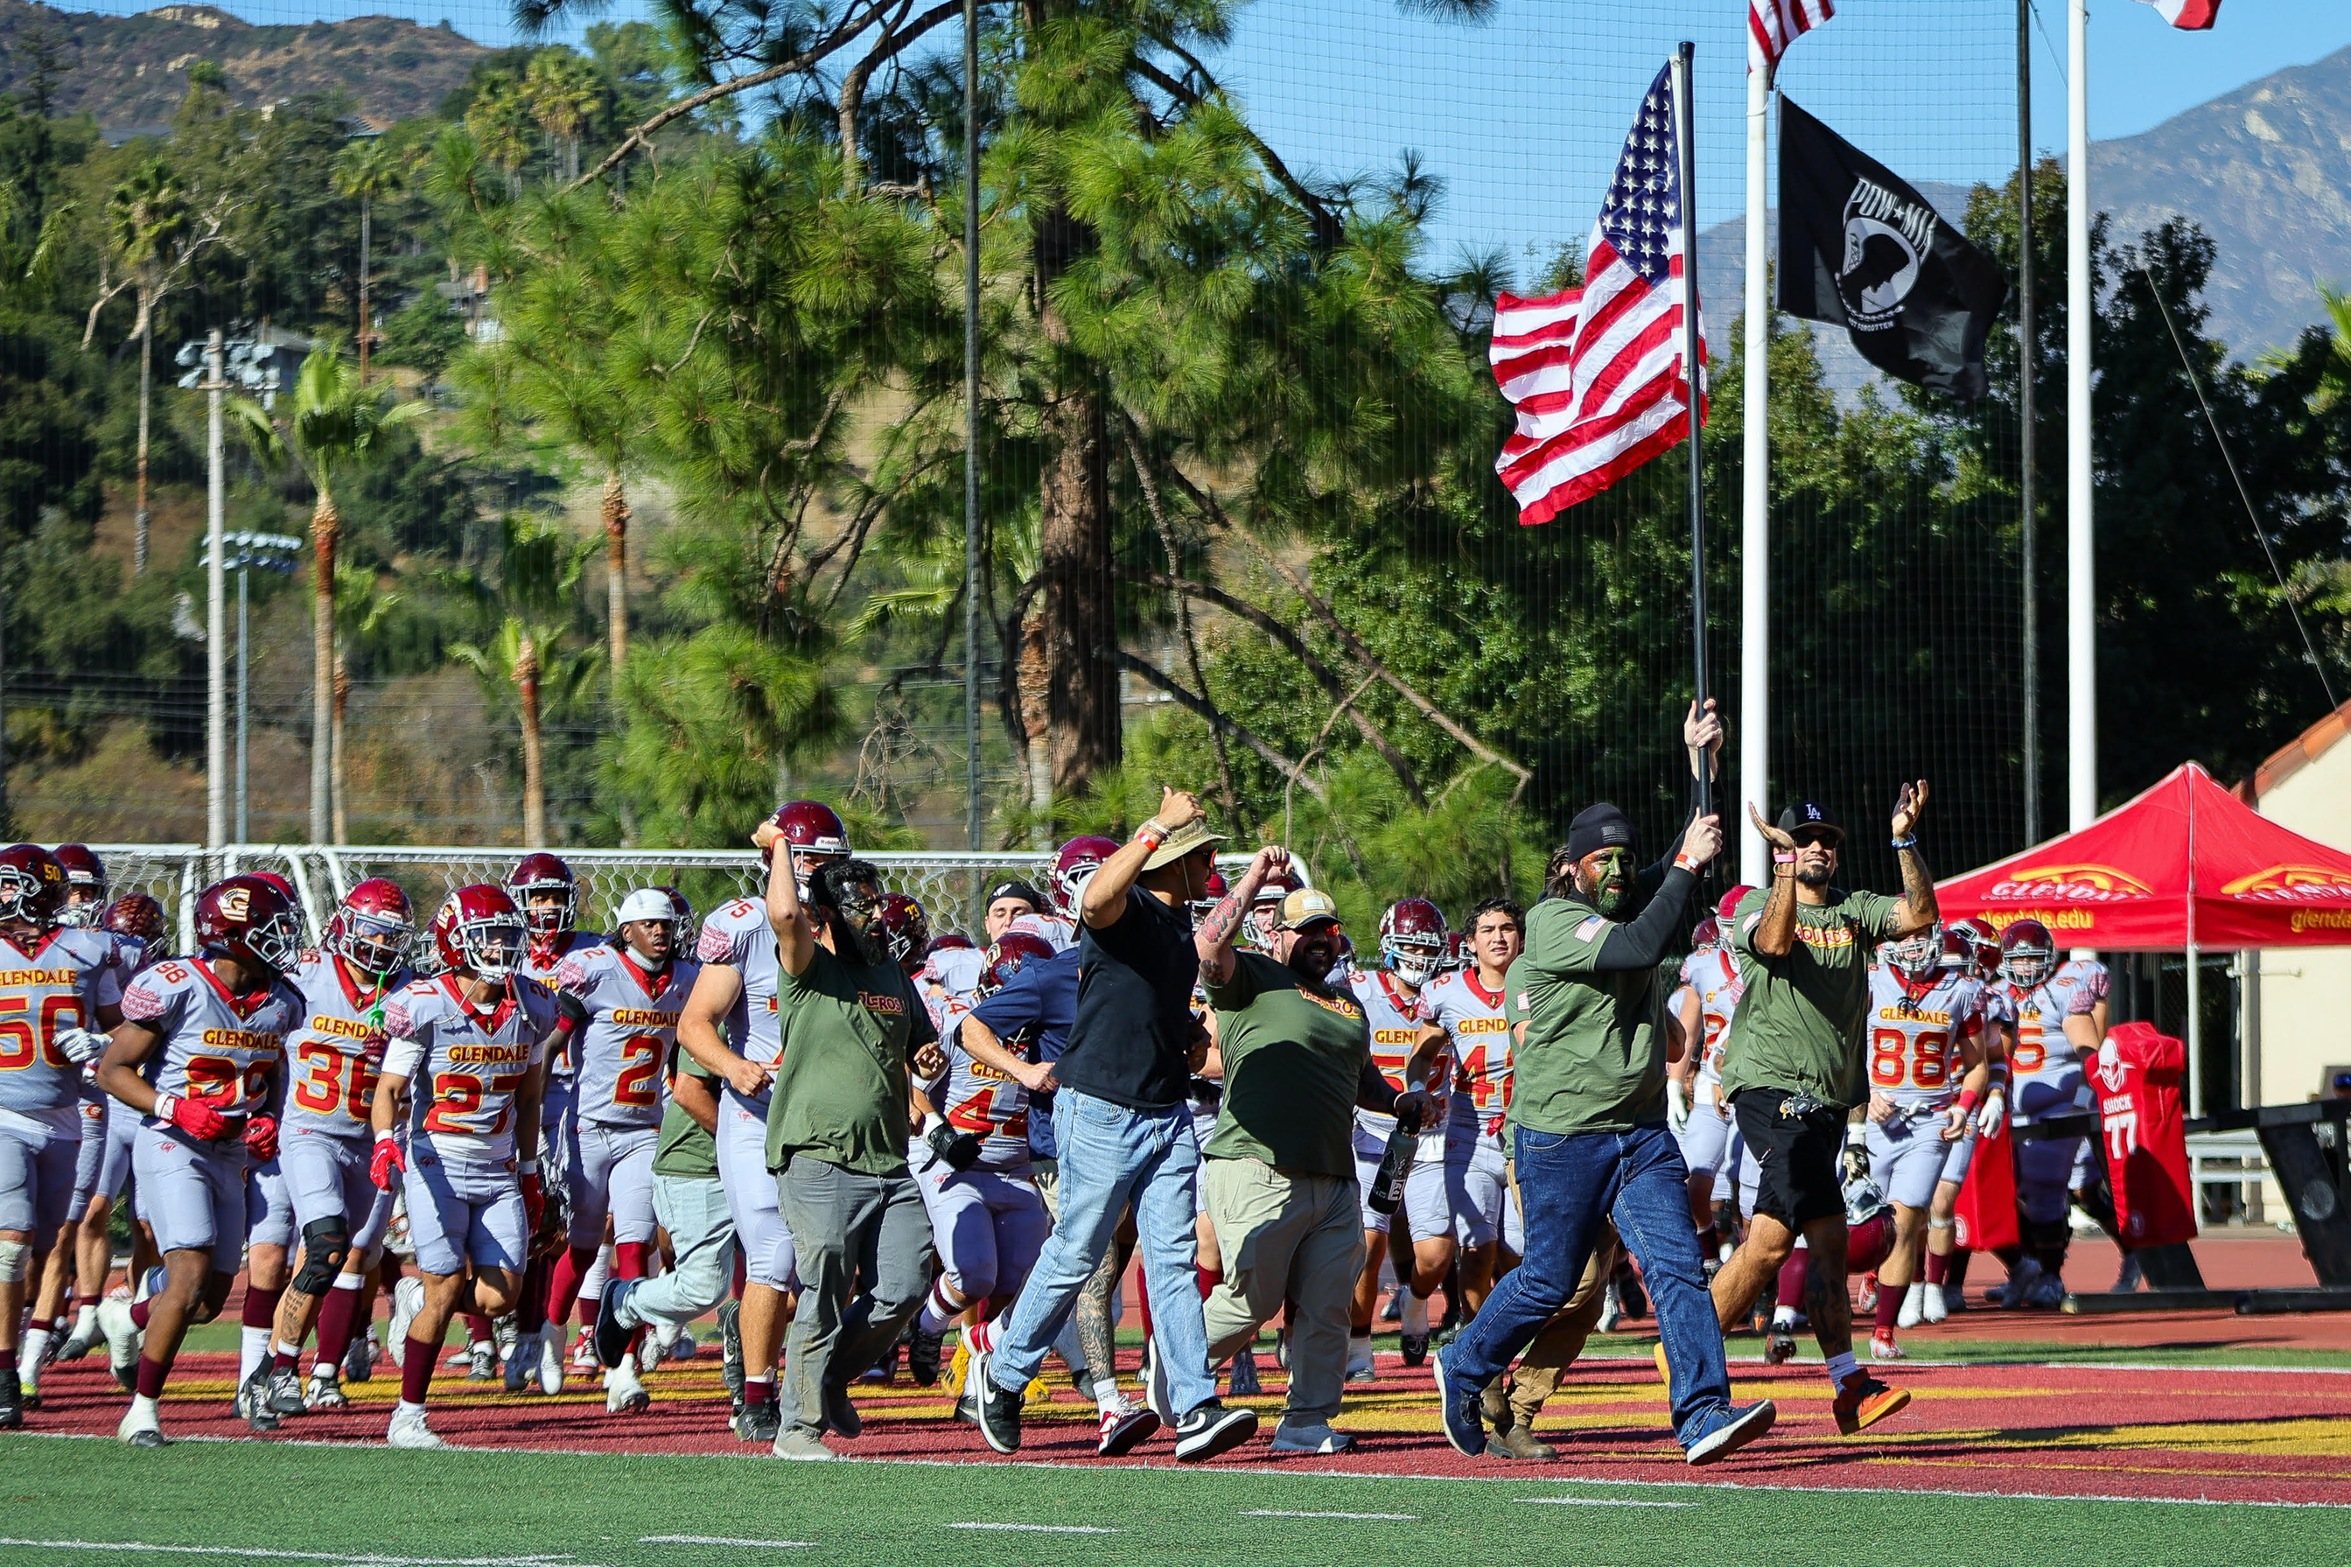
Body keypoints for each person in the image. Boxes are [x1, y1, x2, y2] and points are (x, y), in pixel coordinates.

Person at [1436, 700, 1779, 1468]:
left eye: (1626, 858)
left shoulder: (1624, 892)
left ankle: (1699, 1415)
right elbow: (1642, 938)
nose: (1619, 869)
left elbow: (1684, 860)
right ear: (1570, 865)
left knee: (1677, 1271)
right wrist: (1684, 863)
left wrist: (1699, 764)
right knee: (1552, 1280)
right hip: (1561, 1135)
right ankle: (1463, 1362)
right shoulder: (1556, 919)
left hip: (1640, 1133)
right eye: (1603, 860)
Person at [967, 790, 1258, 1464]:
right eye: (1203, 855)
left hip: (1164, 1110)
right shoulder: (1119, 911)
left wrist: (1184, 1032)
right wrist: (1157, 826)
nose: (1211, 863)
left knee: (1172, 1263)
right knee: (1075, 1253)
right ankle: (1003, 1375)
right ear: (1170, 861)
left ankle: (1192, 1405)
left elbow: (1155, 998)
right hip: (1099, 1107)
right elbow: (1093, 900)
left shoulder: (1180, 923)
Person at [1705, 786, 1938, 1435]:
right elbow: (1775, 944)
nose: (1817, 848)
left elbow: (1920, 915)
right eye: (1803, 839)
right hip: (1768, 1089)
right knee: (1797, 1239)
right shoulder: (1754, 904)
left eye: (1826, 840)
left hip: (1828, 1101)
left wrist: (1902, 840)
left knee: (1799, 1242)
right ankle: (1834, 1380)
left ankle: (1840, 1384)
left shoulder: (1853, 910)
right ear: (1782, 847)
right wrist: (1780, 870)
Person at [1196, 864, 1436, 1455]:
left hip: (1333, 1175)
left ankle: (1306, 1421)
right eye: (1306, 929)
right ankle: (1176, 1368)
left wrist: (1401, 1099)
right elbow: (1207, 946)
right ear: (1274, 935)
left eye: (1329, 929)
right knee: (1251, 1301)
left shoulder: (1349, 1005)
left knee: (1329, 1305)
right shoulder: (1249, 975)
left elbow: (1363, 1082)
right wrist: (1253, 876)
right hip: (1257, 1165)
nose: (1320, 939)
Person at [745, 823, 936, 1461]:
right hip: (817, 1156)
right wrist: (779, 847)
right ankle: (796, 1429)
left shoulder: (891, 971)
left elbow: (919, 1046)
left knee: (906, 1285)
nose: (874, 914)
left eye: (875, 902)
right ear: (825, 913)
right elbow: (781, 912)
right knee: (824, 1278)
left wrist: (929, 1065)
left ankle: (825, 1378)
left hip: (888, 1160)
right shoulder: (808, 965)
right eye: (858, 904)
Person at [95, 875, 306, 1447]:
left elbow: (276, 1079)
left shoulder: (283, 1000)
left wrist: (269, 1119)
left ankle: (127, 1317)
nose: (283, 939)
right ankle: (141, 1410)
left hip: (231, 1152)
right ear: (231, 933)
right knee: (188, 1274)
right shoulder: (177, 984)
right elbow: (111, 1071)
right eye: (271, 928)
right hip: (171, 1141)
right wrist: (175, 1107)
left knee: (209, 1301)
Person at [370, 884, 560, 1449]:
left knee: (501, 1296)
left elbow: (529, 1098)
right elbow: (390, 1088)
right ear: (456, 941)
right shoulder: (425, 1003)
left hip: (497, 1164)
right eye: (488, 936)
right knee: (448, 1281)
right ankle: (408, 1414)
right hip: (438, 1161)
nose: (501, 947)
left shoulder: (531, 1003)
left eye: (508, 935)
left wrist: (529, 1171)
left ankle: (417, 1300)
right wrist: (385, 1140)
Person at [262, 879, 416, 1417]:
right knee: (325, 1244)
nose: (379, 944)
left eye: (390, 935)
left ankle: (324, 1373)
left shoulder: (409, 990)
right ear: (346, 925)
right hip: (310, 1131)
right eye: (372, 929)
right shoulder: (303, 975)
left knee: (358, 1255)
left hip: (375, 1138)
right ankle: (279, 1368)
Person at [551, 887, 700, 1414]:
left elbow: (687, 1051)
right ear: (627, 929)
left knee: (636, 1246)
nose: (662, 931)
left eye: (667, 923)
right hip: (588, 1125)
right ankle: (552, 1331)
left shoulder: (687, 978)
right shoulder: (594, 970)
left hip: (644, 1128)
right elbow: (551, 1045)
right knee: (585, 1244)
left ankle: (624, 1369)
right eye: (651, 924)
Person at [906, 935, 1054, 1408]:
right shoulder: (956, 1021)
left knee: (1020, 1287)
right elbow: (908, 1089)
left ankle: (981, 1382)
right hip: (957, 1167)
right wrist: (937, 1130)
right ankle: (927, 1327)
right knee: (972, 1274)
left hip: (1017, 1169)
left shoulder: (1052, 1032)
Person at [0, 845, 120, 1426]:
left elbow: (127, 1034)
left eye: (7, 885)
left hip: (68, 1117)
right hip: (4, 1113)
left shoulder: (91, 951)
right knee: (11, 1240)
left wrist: (101, 1046)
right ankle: (5, 1371)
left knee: (49, 1246)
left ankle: (25, 1356)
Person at [1857, 927, 1994, 1359]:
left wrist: (1964, 1105)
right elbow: (1840, 1047)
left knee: (1905, 1220)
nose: (1914, 947)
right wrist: (1865, 1092)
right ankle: (1824, 1301)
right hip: (1873, 1119)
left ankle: (1883, 1333)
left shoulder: (1962, 990)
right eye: (1905, 937)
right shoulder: (1869, 981)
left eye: (1921, 937)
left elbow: (1977, 1065)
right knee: (1854, 1225)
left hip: (1928, 1122)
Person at [1349, 897, 1455, 1371]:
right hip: (1374, 1133)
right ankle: (1358, 1342)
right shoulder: (1359, 988)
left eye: (1425, 948)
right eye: (1409, 946)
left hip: (1433, 1137)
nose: (1417, 957)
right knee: (1368, 1246)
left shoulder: (1453, 993)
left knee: (1433, 1255)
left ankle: (1415, 1301)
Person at [507, 852, 597, 1390]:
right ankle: (476, 1333)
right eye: (536, 897)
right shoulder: (496, 945)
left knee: (551, 1221)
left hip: (566, 1094)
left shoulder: (593, 952)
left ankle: (531, 1334)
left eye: (554, 897)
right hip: (502, 1094)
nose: (545, 907)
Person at [1416, 897, 1525, 1323]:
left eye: (1507, 928)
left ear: (1521, 937)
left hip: (1528, 1128)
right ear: (1472, 943)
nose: (1498, 937)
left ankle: (1509, 1334)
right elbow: (1422, 1055)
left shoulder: (1541, 983)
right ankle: (1475, 1336)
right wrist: (1415, 1089)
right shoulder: (1448, 991)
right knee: (1477, 1243)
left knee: (1520, 1252)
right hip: (1471, 1129)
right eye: (1488, 930)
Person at [1987, 918, 2102, 1307]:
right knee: (1998, 1196)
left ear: (2049, 958)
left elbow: (2089, 1052)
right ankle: (2025, 1270)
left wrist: (2082, 1101)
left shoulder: (2064, 991)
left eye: (2033, 959)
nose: (2025, 968)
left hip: (2054, 1106)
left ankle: (2050, 1277)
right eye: (2018, 961)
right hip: (2005, 1108)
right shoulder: (1996, 992)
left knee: (2043, 1193)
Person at [1669, 890, 1750, 1270]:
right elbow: (1688, 1026)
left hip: (1757, 1089)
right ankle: (1707, 1263)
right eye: (1728, 926)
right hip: (1710, 1088)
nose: (1733, 935)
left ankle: (1760, 1277)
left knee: (1750, 1196)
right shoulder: (1702, 965)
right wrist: (1674, 1082)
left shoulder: (1779, 960)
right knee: (1693, 1182)